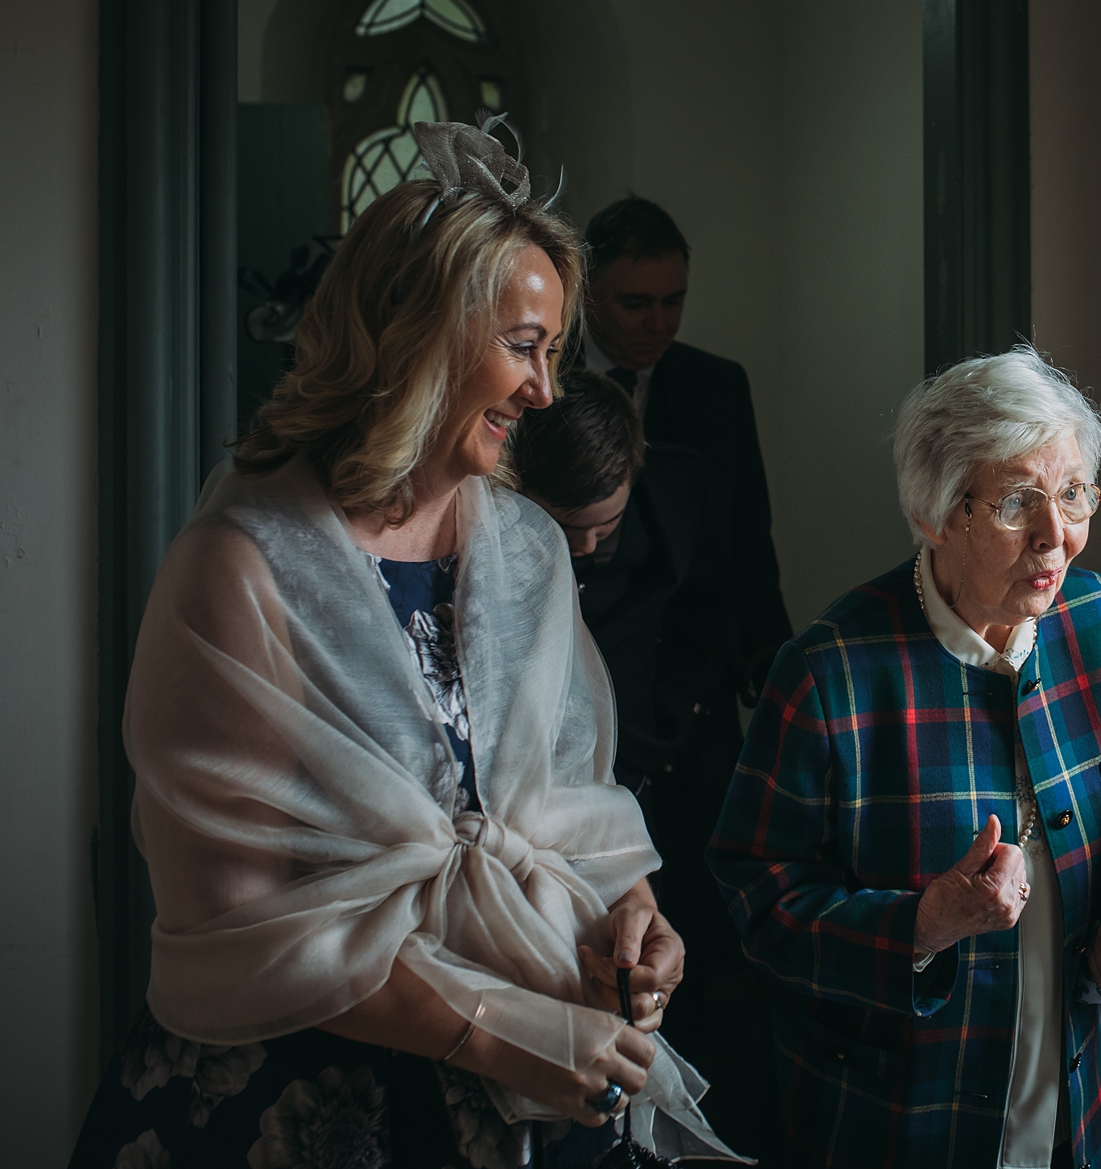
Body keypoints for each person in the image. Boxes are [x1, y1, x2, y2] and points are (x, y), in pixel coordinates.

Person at [68, 122, 739, 1169]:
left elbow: (576, 811)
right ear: (415, 336)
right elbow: (241, 917)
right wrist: (490, 1031)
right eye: (523, 347)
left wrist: (635, 923)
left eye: (554, 352)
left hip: (535, 1073)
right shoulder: (240, 569)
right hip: (305, 1095)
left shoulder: (524, 547)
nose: (546, 392)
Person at [707, 346, 1101, 1169]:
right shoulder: (828, 674)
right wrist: (921, 924)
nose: (1058, 538)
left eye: (1074, 494)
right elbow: (756, 903)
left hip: (1071, 1132)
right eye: (1018, 502)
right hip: (893, 1129)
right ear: (937, 514)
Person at [512, 369, 781, 1165]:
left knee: (697, 966)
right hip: (555, 790)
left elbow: (723, 603)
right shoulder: (502, 542)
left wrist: (678, 719)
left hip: (678, 754)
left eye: (608, 525)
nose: (590, 547)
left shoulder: (684, 496)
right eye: (569, 530)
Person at [574, 196, 791, 720]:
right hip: (581, 662)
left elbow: (747, 539)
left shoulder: (717, 387)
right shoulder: (542, 384)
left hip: (698, 671)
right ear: (587, 292)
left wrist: (771, 662)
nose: (658, 322)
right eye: (636, 304)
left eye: (673, 301)